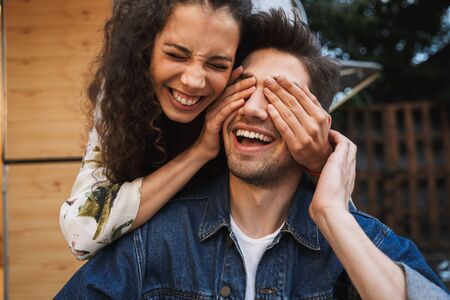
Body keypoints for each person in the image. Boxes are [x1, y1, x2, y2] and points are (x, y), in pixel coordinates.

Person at [57, 9, 449, 299]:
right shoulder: (153, 245)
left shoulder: (358, 243)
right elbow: (82, 230)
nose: (255, 109)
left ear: (317, 123)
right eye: (243, 89)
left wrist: (332, 211)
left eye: (282, 97)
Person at [59, 0, 334, 260]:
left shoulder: (247, 116)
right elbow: (80, 230)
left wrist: (319, 164)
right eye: (176, 55)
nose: (193, 81)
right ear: (145, 49)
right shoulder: (120, 100)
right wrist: (200, 152)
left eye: (217, 65)